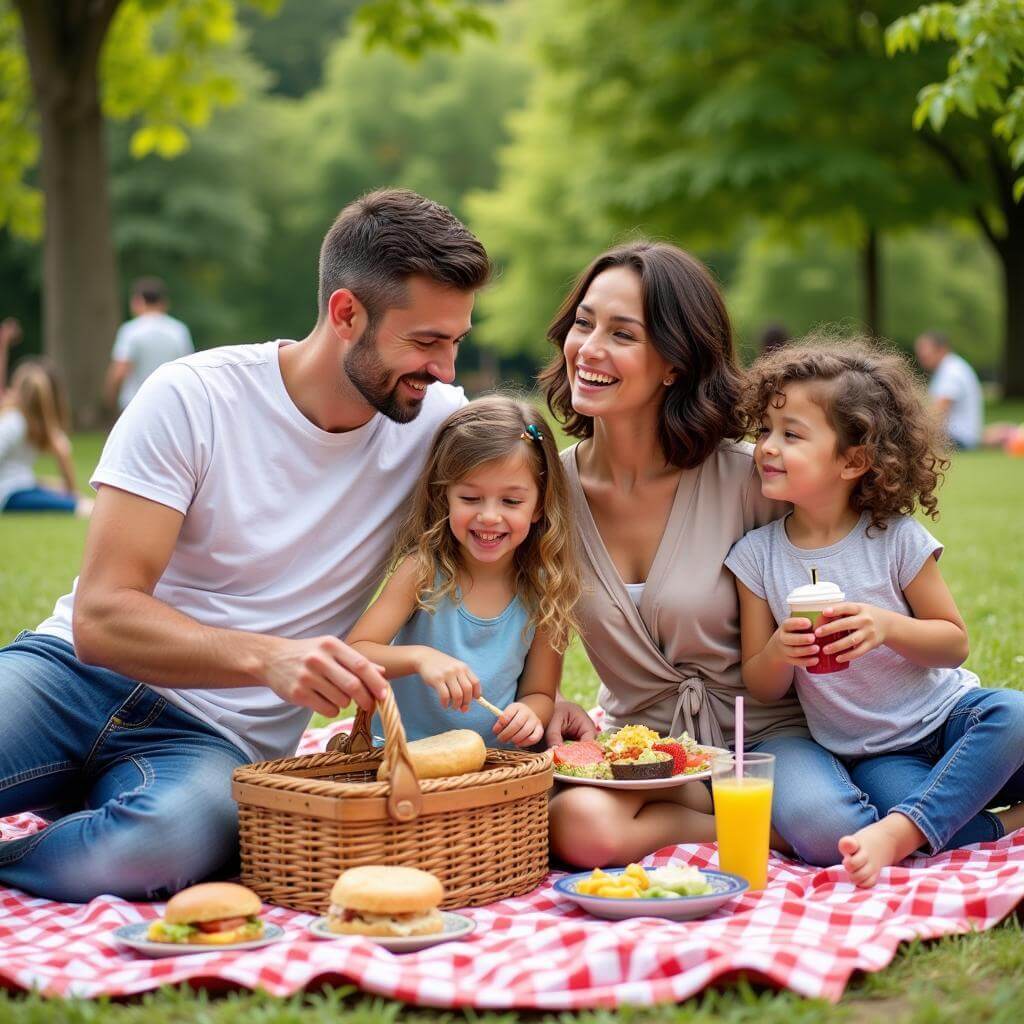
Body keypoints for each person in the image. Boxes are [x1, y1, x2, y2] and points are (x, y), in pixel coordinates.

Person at [0, 188, 491, 903]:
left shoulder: (438, 422)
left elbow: (536, 499)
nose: (446, 369)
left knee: (155, 849)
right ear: (346, 313)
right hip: (70, 681)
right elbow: (101, 620)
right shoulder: (192, 397)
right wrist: (270, 656)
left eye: (456, 341)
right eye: (425, 342)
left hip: (211, 743)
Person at [540, 241, 821, 869]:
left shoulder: (752, 481)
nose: (589, 348)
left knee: (823, 820)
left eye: (622, 334)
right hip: (636, 752)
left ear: (674, 362)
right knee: (577, 828)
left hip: (764, 740)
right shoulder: (546, 492)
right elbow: (521, 621)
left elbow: (856, 563)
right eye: (584, 323)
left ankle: (765, 816)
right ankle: (738, 826)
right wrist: (545, 695)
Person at [726, 339, 1024, 887]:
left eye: (791, 434)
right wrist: (779, 652)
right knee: (910, 811)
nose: (766, 447)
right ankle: (993, 826)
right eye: (764, 431)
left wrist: (886, 625)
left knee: (1016, 714)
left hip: (951, 718)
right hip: (878, 755)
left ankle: (921, 824)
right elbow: (759, 683)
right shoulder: (756, 558)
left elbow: (953, 642)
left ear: (854, 460)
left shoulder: (893, 539)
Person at [348, 396, 580, 748]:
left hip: (494, 768)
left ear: (539, 505)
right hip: (402, 760)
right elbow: (356, 653)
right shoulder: (423, 570)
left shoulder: (545, 588)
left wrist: (531, 713)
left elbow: (540, 692)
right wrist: (420, 658)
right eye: (470, 498)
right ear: (445, 498)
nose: (489, 516)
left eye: (511, 501)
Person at [0, 358, 92, 516]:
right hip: (9, 494)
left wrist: (71, 492)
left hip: (19, 487)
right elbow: (63, 451)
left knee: (66, 493)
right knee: (81, 507)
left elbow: (63, 451)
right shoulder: (16, 423)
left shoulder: (24, 422)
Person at [105, 277, 194, 412]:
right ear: (164, 302)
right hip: (170, 402)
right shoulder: (179, 330)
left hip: (135, 402)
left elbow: (120, 371)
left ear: (138, 301)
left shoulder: (131, 331)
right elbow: (188, 369)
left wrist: (109, 399)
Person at [914, 331, 983, 450]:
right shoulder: (951, 367)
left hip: (957, 440)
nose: (920, 355)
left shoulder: (951, 372)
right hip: (960, 438)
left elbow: (937, 413)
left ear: (941, 349)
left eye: (924, 350)